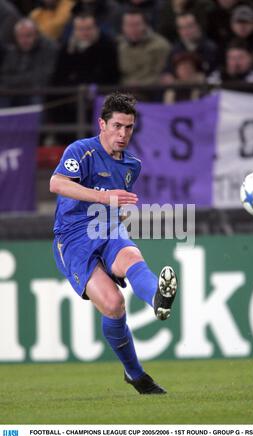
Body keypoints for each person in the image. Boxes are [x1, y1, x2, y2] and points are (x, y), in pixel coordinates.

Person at [50, 92, 177, 394]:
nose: (123, 134)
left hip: (106, 228)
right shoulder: (82, 151)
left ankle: (158, 300)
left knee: (131, 255)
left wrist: (115, 212)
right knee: (113, 305)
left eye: (129, 127)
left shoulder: (132, 165)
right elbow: (57, 184)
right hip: (72, 238)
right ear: (102, 124)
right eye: (117, 126)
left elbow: (116, 204)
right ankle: (135, 374)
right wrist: (103, 197)